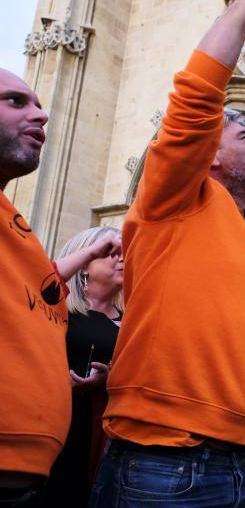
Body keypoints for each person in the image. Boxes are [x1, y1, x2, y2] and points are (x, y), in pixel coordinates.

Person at [89, 0, 245, 506]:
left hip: (239, 465)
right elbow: (196, 96)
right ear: (206, 154)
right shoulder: (175, 200)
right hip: (165, 464)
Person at [0, 67, 121, 506]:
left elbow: (42, 287)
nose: (44, 114)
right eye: (16, 101)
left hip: (32, 474)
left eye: (38, 103)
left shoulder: (19, 232)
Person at [44, 226, 124, 507]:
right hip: (46, 429)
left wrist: (110, 379)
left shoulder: (132, 322)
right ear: (85, 264)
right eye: (112, 252)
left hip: (94, 436)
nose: (123, 259)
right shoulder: (55, 308)